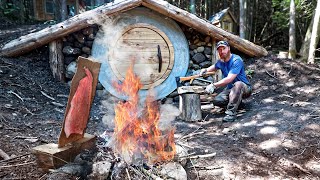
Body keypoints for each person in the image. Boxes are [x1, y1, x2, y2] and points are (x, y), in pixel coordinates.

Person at [199, 40, 252, 122]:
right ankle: (239, 105)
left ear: (229, 48)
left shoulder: (236, 60)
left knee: (238, 84)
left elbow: (229, 79)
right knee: (217, 101)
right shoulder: (221, 62)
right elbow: (214, 66)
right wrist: (205, 70)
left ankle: (230, 114)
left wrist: (214, 85)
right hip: (231, 90)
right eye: (219, 49)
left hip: (244, 88)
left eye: (224, 48)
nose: (222, 51)